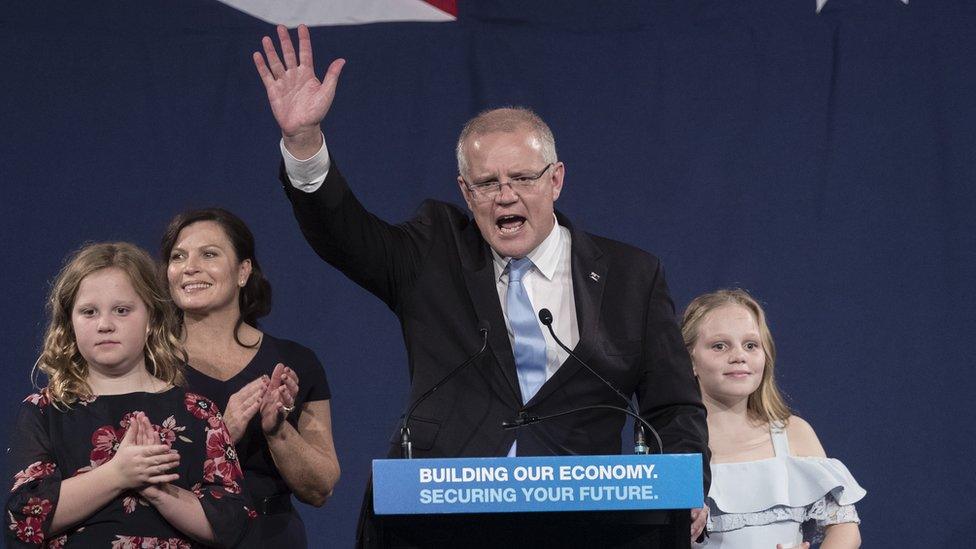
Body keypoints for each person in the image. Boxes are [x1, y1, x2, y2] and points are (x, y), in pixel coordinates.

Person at [253, 25, 709, 546]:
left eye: (522, 178)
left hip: (585, 526)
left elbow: (673, 407)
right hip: (443, 526)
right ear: (465, 193)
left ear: (556, 179)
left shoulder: (633, 275)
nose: (505, 196)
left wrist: (687, 488)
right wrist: (304, 142)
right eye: (488, 184)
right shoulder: (434, 253)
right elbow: (344, 235)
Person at [5, 242, 251, 548]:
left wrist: (159, 491)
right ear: (70, 322)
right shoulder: (45, 411)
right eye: (89, 312)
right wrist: (118, 474)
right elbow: (25, 519)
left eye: (122, 310)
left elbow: (231, 525)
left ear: (151, 319)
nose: (105, 325)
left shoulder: (198, 412)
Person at [161, 208, 340, 547]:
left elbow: (320, 489)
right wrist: (220, 435)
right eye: (178, 257)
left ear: (243, 271)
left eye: (209, 254)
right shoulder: (147, 363)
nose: (189, 268)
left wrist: (278, 432)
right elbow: (129, 478)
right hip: (177, 537)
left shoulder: (294, 362)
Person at [681, 289, 864, 549]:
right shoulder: (673, 445)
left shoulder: (795, 434)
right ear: (690, 360)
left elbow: (845, 530)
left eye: (751, 345)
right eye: (719, 346)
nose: (738, 356)